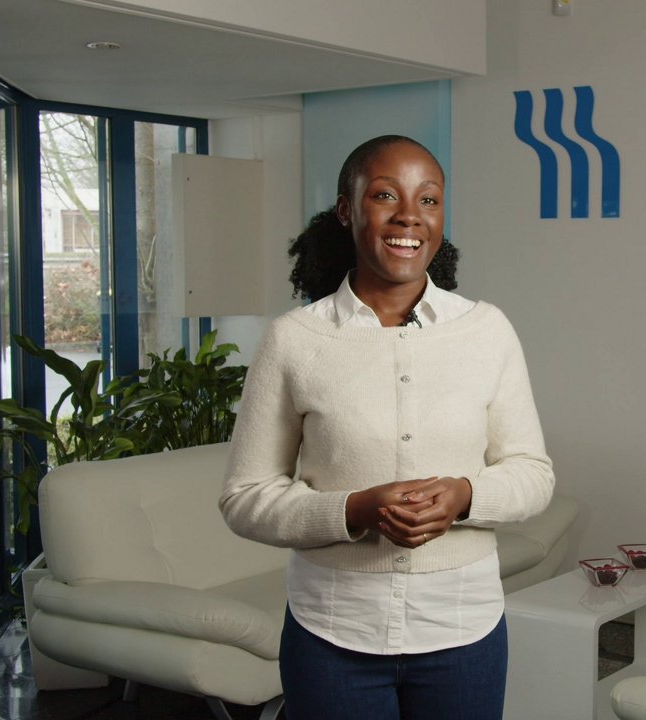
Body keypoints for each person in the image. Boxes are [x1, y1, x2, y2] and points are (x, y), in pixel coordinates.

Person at [220, 135, 555, 720]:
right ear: (347, 210)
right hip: (331, 634)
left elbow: (533, 474)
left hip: (463, 629)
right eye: (384, 195)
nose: (409, 216)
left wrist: (465, 496)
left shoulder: (487, 331)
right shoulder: (294, 339)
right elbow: (245, 498)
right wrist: (352, 511)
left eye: (428, 199)